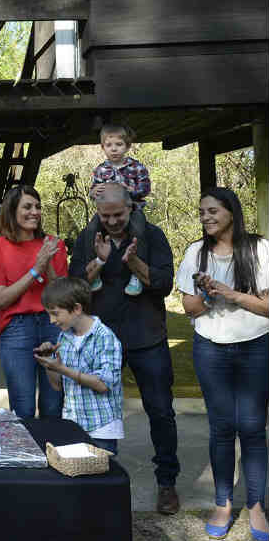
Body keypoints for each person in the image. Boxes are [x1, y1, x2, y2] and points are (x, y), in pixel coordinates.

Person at [69, 182, 180, 514]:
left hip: (147, 337)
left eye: (118, 214)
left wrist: (134, 264)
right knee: (100, 414)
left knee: (160, 411)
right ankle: (99, 483)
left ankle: (167, 483)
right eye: (106, 216)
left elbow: (163, 284)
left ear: (130, 208)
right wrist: (99, 263)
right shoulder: (88, 238)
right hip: (102, 339)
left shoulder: (153, 236)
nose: (113, 221)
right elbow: (75, 286)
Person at [175, 187, 269, 541]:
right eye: (202, 212)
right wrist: (206, 294)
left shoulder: (259, 249)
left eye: (213, 210)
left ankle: (257, 506)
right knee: (222, 427)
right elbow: (189, 308)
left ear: (232, 211)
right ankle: (223, 504)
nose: (206, 217)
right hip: (211, 349)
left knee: (253, 427)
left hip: (256, 346)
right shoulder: (196, 253)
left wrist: (229, 293)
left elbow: (267, 307)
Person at [0, 185, 67, 420]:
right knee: (23, 407)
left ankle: (52, 456)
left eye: (38, 207)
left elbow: (62, 296)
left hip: (52, 325)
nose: (35, 212)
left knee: (53, 404)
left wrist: (47, 263)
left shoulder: (53, 245)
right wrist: (35, 270)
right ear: (11, 211)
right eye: (27, 207)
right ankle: (29, 456)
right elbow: (2, 298)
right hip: (16, 328)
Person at [34, 277, 124, 454]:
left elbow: (103, 385)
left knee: (100, 480)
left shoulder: (104, 337)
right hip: (73, 426)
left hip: (101, 429)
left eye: (55, 313)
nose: (52, 320)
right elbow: (57, 385)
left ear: (76, 308)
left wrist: (62, 369)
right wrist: (49, 363)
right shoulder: (64, 337)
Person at [83, 124, 151, 296]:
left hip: (133, 210)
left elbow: (145, 189)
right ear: (103, 147)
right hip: (107, 213)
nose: (114, 149)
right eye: (109, 145)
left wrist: (126, 189)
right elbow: (95, 192)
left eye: (119, 145)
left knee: (139, 231)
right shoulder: (100, 170)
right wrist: (93, 192)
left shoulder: (137, 167)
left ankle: (136, 274)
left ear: (127, 146)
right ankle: (95, 269)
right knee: (91, 230)